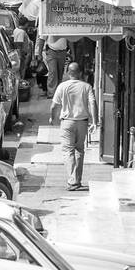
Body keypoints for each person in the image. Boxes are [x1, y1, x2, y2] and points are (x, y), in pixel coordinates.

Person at [49, 62, 98, 192]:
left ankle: (72, 181)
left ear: (68, 73)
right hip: (82, 122)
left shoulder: (62, 86)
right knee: (79, 150)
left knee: (68, 151)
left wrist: (52, 117)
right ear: (80, 73)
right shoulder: (87, 87)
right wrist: (94, 121)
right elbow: (93, 103)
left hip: (67, 123)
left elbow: (54, 106)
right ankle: (77, 180)